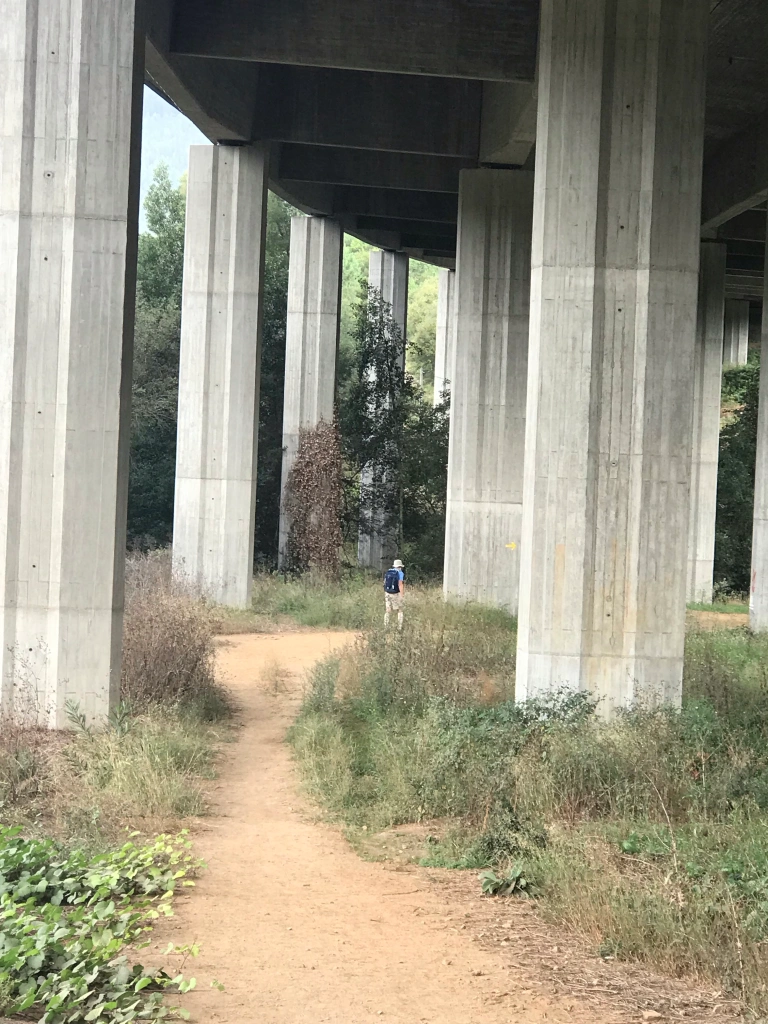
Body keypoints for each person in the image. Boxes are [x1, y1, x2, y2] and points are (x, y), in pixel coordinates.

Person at [383, 559, 405, 630]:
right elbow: (400, 584)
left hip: (387, 592)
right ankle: (399, 627)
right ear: (400, 566)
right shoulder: (400, 573)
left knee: (388, 610)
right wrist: (401, 595)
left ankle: (386, 626)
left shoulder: (388, 572)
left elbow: (384, 582)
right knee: (400, 610)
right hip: (395, 593)